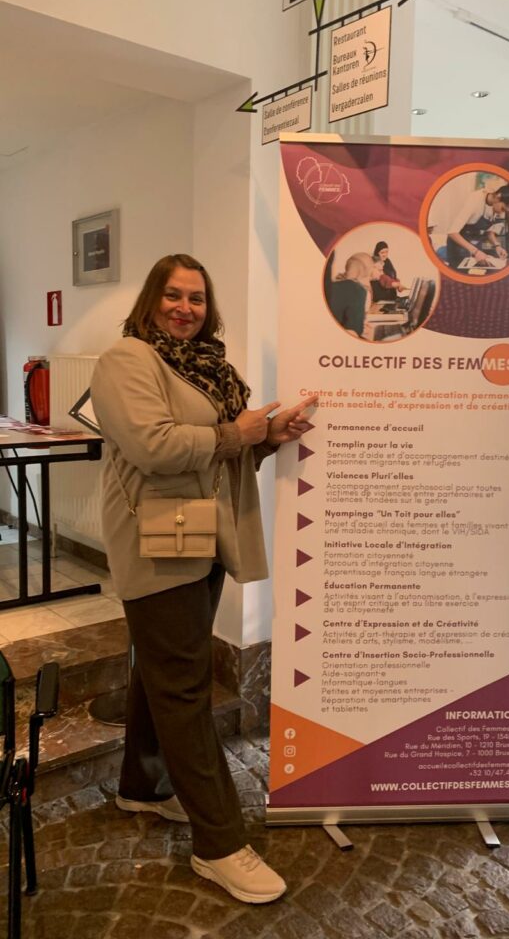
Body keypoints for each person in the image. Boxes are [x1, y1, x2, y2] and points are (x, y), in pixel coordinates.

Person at [90, 254, 316, 905]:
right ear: (150, 300)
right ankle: (219, 844)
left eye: (196, 298)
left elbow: (222, 450)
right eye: (173, 295)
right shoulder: (127, 360)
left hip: (201, 537)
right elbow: (154, 446)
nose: (185, 308)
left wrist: (267, 436)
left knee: (162, 669)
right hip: (156, 545)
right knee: (185, 688)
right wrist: (235, 432)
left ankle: (144, 786)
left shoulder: (206, 364)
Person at [445, 184, 509, 270]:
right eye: (503, 209)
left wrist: (497, 246)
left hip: (475, 245)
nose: (502, 213)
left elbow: (490, 232)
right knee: (461, 273)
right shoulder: (475, 199)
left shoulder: (495, 206)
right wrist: (475, 251)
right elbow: (452, 232)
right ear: (498, 197)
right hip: (458, 246)